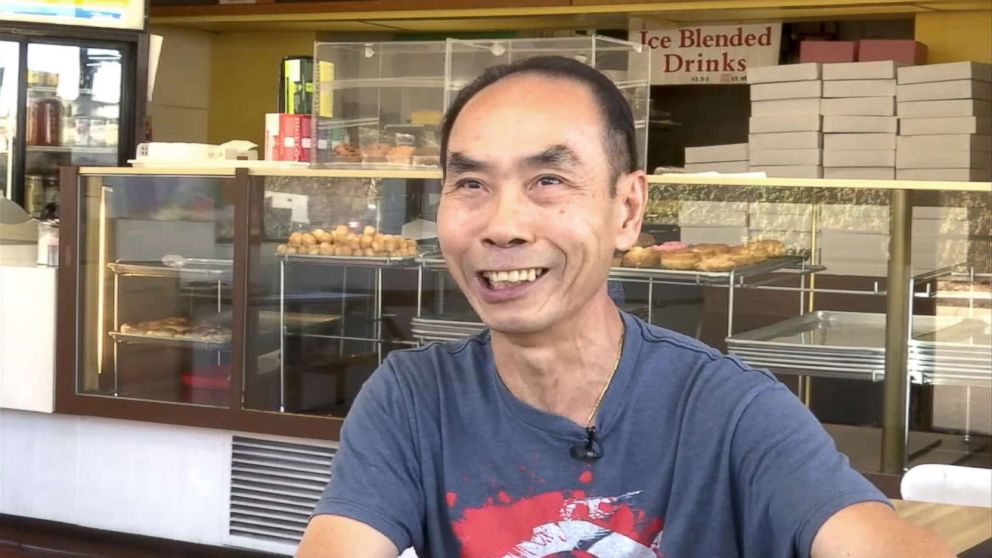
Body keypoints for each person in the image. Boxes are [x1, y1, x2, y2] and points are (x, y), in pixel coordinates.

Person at [297, 56, 953, 558]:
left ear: (628, 209)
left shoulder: (727, 411)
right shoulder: (413, 400)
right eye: (470, 183)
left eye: (548, 181)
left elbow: (875, 538)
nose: (503, 225)